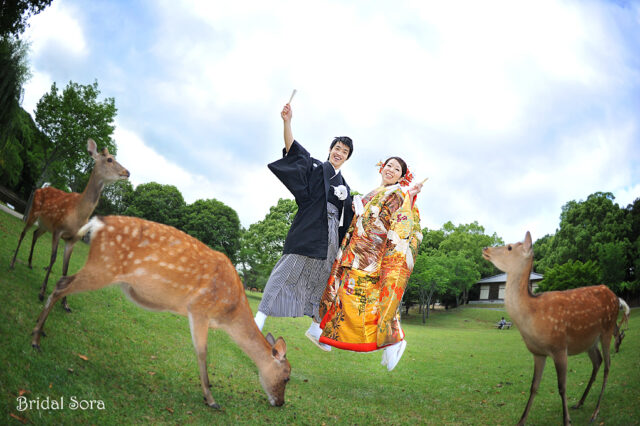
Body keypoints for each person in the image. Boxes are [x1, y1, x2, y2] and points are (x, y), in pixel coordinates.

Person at [254, 103, 354, 352]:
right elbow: (294, 152)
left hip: (330, 237)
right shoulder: (316, 168)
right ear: (330, 150)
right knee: (286, 270)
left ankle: (316, 327)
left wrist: (349, 200)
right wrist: (287, 122)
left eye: (344, 151)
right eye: (337, 148)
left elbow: (349, 216)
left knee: (323, 279)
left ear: (347, 158)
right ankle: (260, 317)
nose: (339, 153)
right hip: (309, 230)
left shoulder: (345, 185)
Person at [318, 157, 423, 371]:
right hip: (356, 254)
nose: (391, 170)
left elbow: (401, 219)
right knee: (352, 301)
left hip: (373, 258)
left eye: (397, 169)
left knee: (367, 301)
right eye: (389, 165)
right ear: (381, 168)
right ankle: (389, 343)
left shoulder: (398, 194)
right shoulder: (375, 192)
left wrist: (410, 199)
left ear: (402, 177)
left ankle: (395, 340)